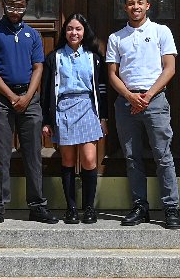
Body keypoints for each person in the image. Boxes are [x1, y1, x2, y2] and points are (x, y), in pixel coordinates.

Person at [0, 0, 57, 226]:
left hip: (29, 99)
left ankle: (37, 205)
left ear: (26, 7)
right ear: (4, 3)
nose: (15, 9)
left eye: (20, 5)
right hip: (2, 99)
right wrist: (11, 96)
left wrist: (27, 96)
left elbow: (38, 67)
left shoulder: (32, 34)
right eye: (11, 4)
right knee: (1, 153)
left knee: (33, 153)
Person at [106, 0, 180, 230]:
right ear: (125, 7)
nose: (135, 7)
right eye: (130, 3)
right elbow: (111, 74)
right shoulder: (116, 37)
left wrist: (148, 95)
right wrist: (130, 96)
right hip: (126, 102)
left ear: (148, 5)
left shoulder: (161, 31)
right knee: (131, 157)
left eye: (140, 3)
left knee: (163, 155)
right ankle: (140, 206)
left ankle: (171, 207)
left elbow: (169, 68)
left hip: (155, 100)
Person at [41, 14, 107, 225]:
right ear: (64, 32)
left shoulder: (94, 57)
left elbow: (102, 90)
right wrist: (46, 120)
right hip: (64, 109)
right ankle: (71, 208)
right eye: (70, 29)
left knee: (89, 159)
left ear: (84, 31)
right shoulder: (55, 57)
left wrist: (103, 117)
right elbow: (45, 92)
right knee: (68, 160)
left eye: (78, 29)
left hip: (88, 107)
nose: (74, 33)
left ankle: (89, 208)